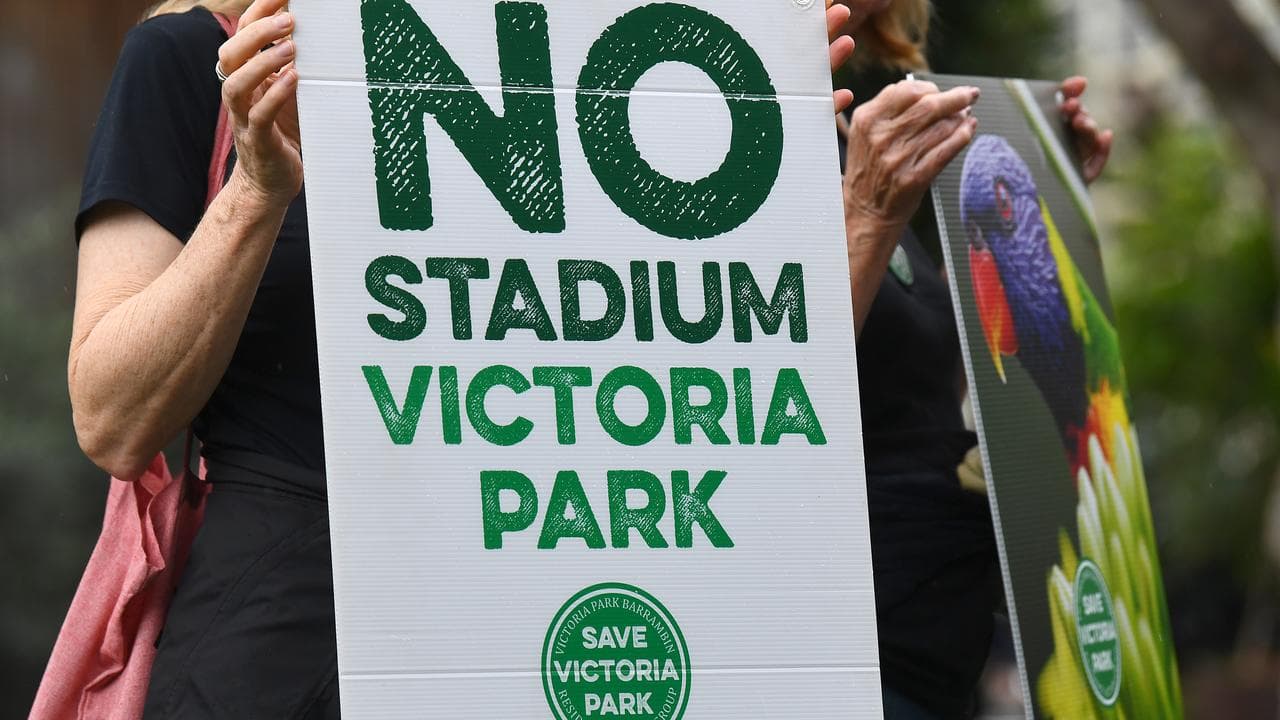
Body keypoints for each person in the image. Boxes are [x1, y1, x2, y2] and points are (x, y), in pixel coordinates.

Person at [67, 0, 868, 716]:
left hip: (537, 636)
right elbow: (113, 421)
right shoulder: (194, 59)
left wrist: (798, 190)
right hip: (290, 647)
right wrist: (256, 191)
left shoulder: (597, 65)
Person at [826, 1, 1113, 718]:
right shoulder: (698, 142)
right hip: (840, 658)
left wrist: (1024, 220)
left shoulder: (843, 138)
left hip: (933, 650)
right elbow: (755, 399)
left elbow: (913, 379)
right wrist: (867, 216)